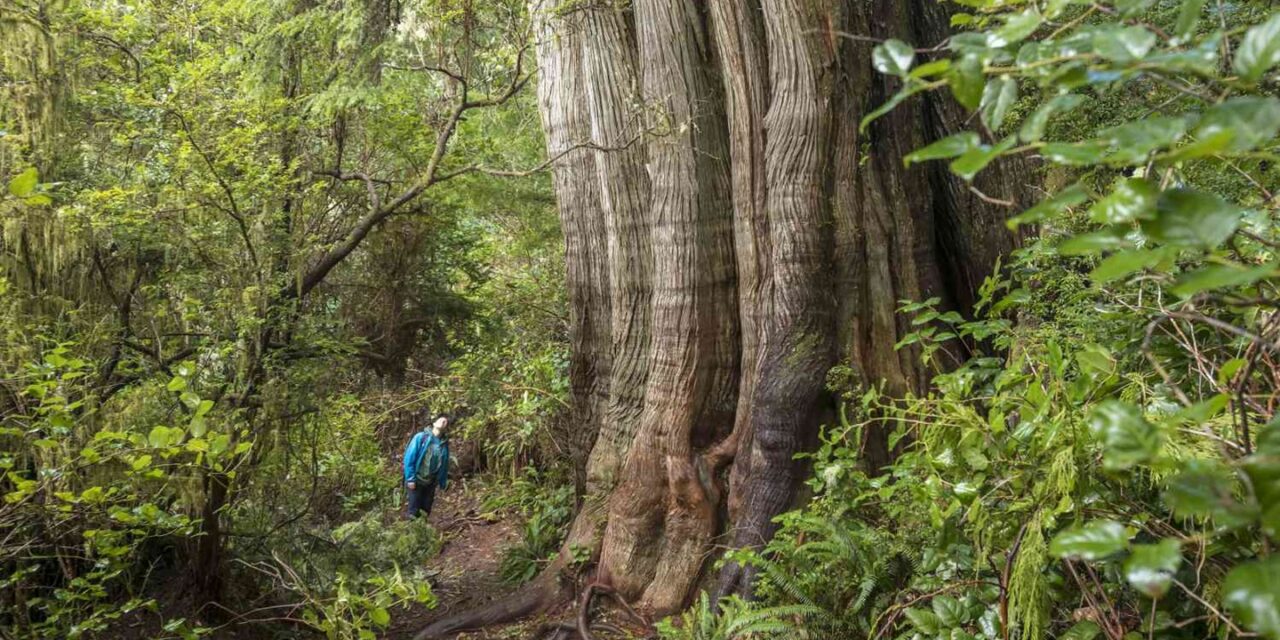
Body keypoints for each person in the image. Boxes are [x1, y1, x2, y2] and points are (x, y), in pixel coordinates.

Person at [402, 413, 451, 519]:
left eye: (445, 421)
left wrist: (442, 483)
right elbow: (409, 458)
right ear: (434, 423)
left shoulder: (443, 443)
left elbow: (444, 464)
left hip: (431, 482)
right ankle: (411, 534)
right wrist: (410, 478)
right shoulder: (421, 437)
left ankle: (423, 533)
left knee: (426, 510)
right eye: (441, 420)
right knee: (414, 510)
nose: (443, 422)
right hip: (416, 480)